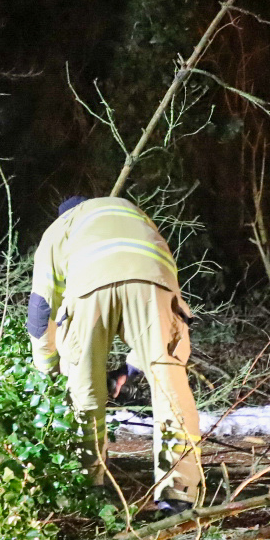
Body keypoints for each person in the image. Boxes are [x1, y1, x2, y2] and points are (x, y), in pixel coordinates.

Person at [28, 195, 203, 512]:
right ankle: (178, 492)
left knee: (85, 392)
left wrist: (48, 367)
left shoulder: (59, 229)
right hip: (155, 283)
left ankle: (88, 485)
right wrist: (130, 369)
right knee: (170, 389)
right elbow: (154, 293)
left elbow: (41, 309)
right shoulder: (132, 212)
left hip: (89, 287)